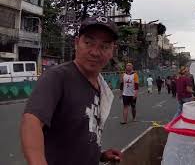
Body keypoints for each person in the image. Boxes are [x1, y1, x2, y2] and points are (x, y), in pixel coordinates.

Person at [20, 15, 121, 165]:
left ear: (113, 51)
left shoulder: (101, 86)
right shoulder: (57, 77)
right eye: (88, 43)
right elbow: (31, 122)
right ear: (76, 43)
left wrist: (100, 155)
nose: (95, 52)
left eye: (104, 46)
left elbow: (78, 135)